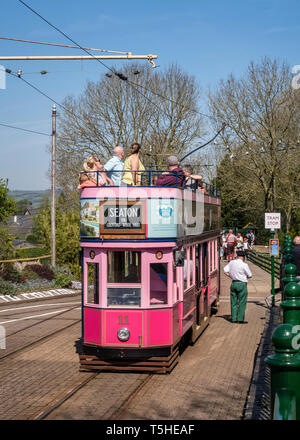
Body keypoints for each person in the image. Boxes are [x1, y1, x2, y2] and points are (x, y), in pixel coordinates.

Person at [224, 250, 252, 323]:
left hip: (233, 283)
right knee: (242, 302)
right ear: (243, 257)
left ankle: (233, 318)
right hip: (242, 284)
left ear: (237, 256)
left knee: (233, 302)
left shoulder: (232, 262)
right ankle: (240, 319)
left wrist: (231, 276)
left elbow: (225, 270)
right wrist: (244, 277)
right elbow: (250, 275)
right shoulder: (244, 265)